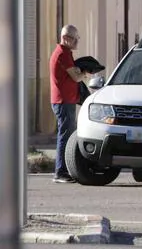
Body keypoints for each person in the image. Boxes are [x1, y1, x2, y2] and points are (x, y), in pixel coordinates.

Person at [50, 25, 88, 183]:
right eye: (75, 38)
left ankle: (63, 170)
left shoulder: (65, 53)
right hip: (63, 101)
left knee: (66, 135)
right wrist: (85, 73)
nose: (77, 41)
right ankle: (60, 172)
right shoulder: (62, 54)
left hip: (66, 100)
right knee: (65, 136)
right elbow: (75, 77)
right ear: (66, 38)